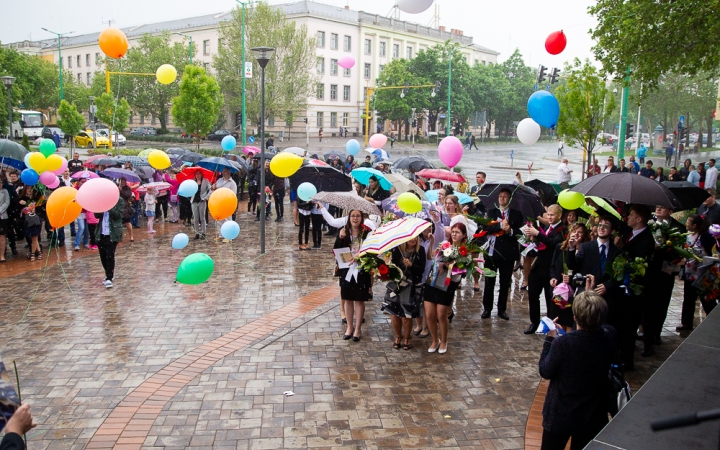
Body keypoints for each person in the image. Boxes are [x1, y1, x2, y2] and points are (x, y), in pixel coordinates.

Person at [538, 285, 617, 450]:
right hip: (593, 414)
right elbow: (593, 332)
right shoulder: (609, 335)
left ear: (574, 317)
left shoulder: (564, 343)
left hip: (561, 414)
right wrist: (590, 295)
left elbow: (545, 370)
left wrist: (550, 339)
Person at [608, 204, 655, 370]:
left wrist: (623, 247)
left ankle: (627, 361)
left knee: (629, 326)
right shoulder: (628, 232)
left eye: (632, 215)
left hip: (634, 291)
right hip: (622, 290)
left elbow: (637, 260)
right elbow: (617, 222)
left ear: (639, 219)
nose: (628, 217)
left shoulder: (647, 239)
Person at [641, 205, 685, 356]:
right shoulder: (648, 224)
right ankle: (647, 332)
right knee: (647, 304)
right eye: (657, 207)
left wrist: (667, 250)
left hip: (665, 273)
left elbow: (679, 250)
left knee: (661, 304)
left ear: (670, 211)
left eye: (663, 207)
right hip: (649, 270)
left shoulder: (677, 227)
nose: (659, 209)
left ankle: (656, 333)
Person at [423, 222, 468, 354]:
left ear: (463, 235)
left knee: (441, 314)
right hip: (434, 281)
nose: (454, 234)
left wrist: (450, 266)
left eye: (457, 232)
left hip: (447, 284)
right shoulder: (444, 245)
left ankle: (444, 340)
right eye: (453, 231)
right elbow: (432, 258)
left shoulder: (464, 251)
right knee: (430, 314)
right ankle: (434, 339)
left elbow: (461, 273)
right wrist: (432, 244)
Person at [481, 187, 523, 320]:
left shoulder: (516, 214)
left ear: (509, 199)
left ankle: (502, 309)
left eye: (505, 196)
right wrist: (499, 226)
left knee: (505, 283)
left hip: (508, 254)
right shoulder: (491, 212)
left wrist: (510, 230)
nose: (502, 198)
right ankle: (487, 308)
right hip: (492, 252)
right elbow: (486, 228)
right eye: (500, 196)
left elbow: (520, 234)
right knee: (489, 282)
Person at [523, 204, 566, 334]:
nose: (550, 217)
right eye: (548, 214)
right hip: (539, 265)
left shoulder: (562, 229)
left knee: (550, 298)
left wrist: (538, 234)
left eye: (553, 215)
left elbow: (553, 243)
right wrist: (533, 239)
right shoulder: (547, 227)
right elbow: (543, 242)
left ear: (559, 216)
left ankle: (551, 324)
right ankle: (534, 322)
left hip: (550, 268)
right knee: (533, 293)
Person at [335, 209, 372, 341]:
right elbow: (337, 250)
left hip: (362, 269)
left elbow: (371, 250)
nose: (355, 218)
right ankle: (349, 327)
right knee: (348, 299)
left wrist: (360, 256)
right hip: (347, 269)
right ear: (349, 218)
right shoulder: (344, 231)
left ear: (362, 218)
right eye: (352, 216)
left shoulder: (366, 233)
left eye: (358, 216)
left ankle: (357, 329)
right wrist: (341, 238)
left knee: (359, 299)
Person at [386, 236, 426, 350]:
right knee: (394, 314)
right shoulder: (397, 249)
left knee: (406, 315)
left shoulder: (420, 250)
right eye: (410, 238)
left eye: (415, 238)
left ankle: (407, 337)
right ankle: (398, 336)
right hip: (397, 285)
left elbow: (421, 269)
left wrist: (411, 265)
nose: (413, 240)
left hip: (411, 286)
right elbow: (393, 267)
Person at [678, 214, 716, 331]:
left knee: (706, 299)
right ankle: (686, 323)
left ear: (694, 225)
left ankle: (714, 321)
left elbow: (713, 253)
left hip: (703, 274)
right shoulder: (688, 235)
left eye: (688, 222)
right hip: (690, 274)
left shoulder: (706, 237)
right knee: (688, 298)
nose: (686, 224)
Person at [549, 223, 591, 331]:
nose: (576, 234)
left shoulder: (586, 250)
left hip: (573, 292)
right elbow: (553, 266)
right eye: (574, 231)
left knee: (569, 320)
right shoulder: (560, 247)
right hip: (560, 290)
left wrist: (571, 279)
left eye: (580, 232)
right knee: (558, 317)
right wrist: (553, 277)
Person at [95, 196, 124, 288]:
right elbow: (96, 215)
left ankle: (109, 277)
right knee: (103, 256)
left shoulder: (119, 200)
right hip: (101, 232)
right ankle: (108, 273)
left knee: (109, 255)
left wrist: (109, 207)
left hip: (112, 233)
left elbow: (118, 215)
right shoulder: (101, 200)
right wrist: (101, 206)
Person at [213, 167, 238, 235]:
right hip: (219, 203)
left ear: (229, 172)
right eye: (224, 171)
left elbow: (233, 194)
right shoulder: (219, 180)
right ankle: (220, 234)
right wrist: (213, 187)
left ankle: (228, 235)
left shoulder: (232, 183)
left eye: (227, 171)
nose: (225, 173)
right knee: (219, 220)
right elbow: (214, 191)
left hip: (227, 204)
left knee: (227, 220)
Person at [191, 170, 212, 239]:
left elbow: (210, 190)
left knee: (202, 218)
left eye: (199, 174)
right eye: (196, 174)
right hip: (194, 201)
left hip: (202, 201)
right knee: (196, 218)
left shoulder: (205, 181)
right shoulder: (192, 182)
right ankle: (196, 233)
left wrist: (206, 197)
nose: (198, 175)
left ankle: (203, 233)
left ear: (201, 174)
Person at [119, 177, 135, 242]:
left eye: (123, 181)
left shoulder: (127, 188)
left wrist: (121, 190)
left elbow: (128, 195)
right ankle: (119, 237)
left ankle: (131, 236)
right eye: (121, 181)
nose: (122, 182)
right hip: (118, 207)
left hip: (125, 207)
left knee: (127, 223)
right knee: (118, 224)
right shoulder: (116, 186)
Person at [0, 182, 9, 262]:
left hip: (2, 216)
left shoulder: (5, 191)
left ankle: (2, 255)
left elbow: (7, 202)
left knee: (2, 236)